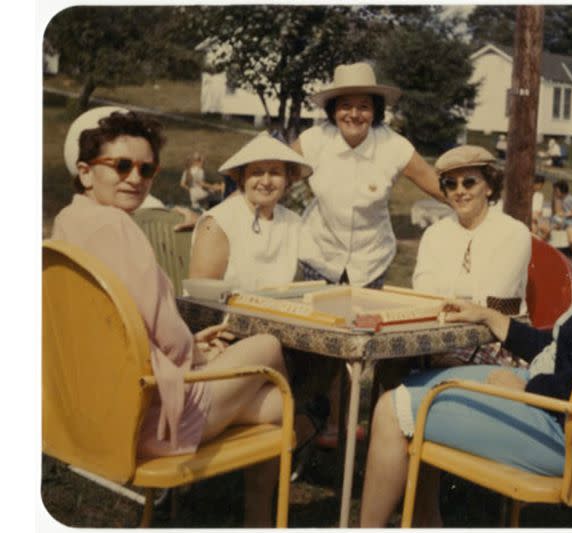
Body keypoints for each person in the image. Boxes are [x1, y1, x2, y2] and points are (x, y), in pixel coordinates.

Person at [358, 161, 572, 527]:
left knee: (391, 409)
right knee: (414, 387)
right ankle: (424, 523)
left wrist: (525, 385)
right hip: (570, 420)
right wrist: (489, 317)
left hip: (563, 433)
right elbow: (565, 349)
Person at [53, 107, 322, 526]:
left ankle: (257, 518)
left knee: (273, 407)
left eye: (146, 169)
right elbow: (165, 328)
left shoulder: (67, 224)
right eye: (121, 165)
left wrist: (189, 346)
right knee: (267, 347)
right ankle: (266, 507)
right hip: (150, 414)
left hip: (95, 404)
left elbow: (122, 324)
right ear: (86, 172)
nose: (135, 178)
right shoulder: (117, 228)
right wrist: (199, 357)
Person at [290, 62, 444, 446]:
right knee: (308, 349)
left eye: (364, 106)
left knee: (354, 351)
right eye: (345, 105)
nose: (354, 114)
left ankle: (340, 431)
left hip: (369, 262)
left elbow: (438, 185)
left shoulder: (395, 146)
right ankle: (297, 423)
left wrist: (481, 209)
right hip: (318, 255)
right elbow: (270, 173)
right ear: (332, 109)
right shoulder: (314, 141)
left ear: (375, 110)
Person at [412, 145, 530, 367]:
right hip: (439, 335)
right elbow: (424, 295)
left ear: (488, 187)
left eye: (469, 182)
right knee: (387, 363)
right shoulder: (435, 234)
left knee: (441, 366)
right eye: (450, 184)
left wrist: (446, 299)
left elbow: (490, 301)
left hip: (495, 340)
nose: (460, 191)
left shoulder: (514, 233)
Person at [188, 133, 312, 291]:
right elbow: (201, 295)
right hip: (225, 313)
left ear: (287, 179)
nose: (266, 182)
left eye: (275, 173)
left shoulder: (292, 221)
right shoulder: (219, 223)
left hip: (278, 311)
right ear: (242, 177)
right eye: (257, 173)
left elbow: (320, 263)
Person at [551, 179, 572, 261]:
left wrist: (564, 214)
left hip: (570, 222)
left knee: (571, 240)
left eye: (556, 190)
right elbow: (556, 212)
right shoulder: (558, 199)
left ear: (562, 190)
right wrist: (555, 200)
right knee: (548, 229)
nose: (555, 192)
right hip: (560, 221)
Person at [530, 173, 550, 238]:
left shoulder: (540, 196)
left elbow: (540, 211)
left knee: (547, 230)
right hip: (529, 218)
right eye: (540, 185)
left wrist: (539, 218)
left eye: (542, 185)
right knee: (534, 230)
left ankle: (540, 243)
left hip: (538, 218)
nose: (541, 187)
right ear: (534, 183)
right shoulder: (527, 194)